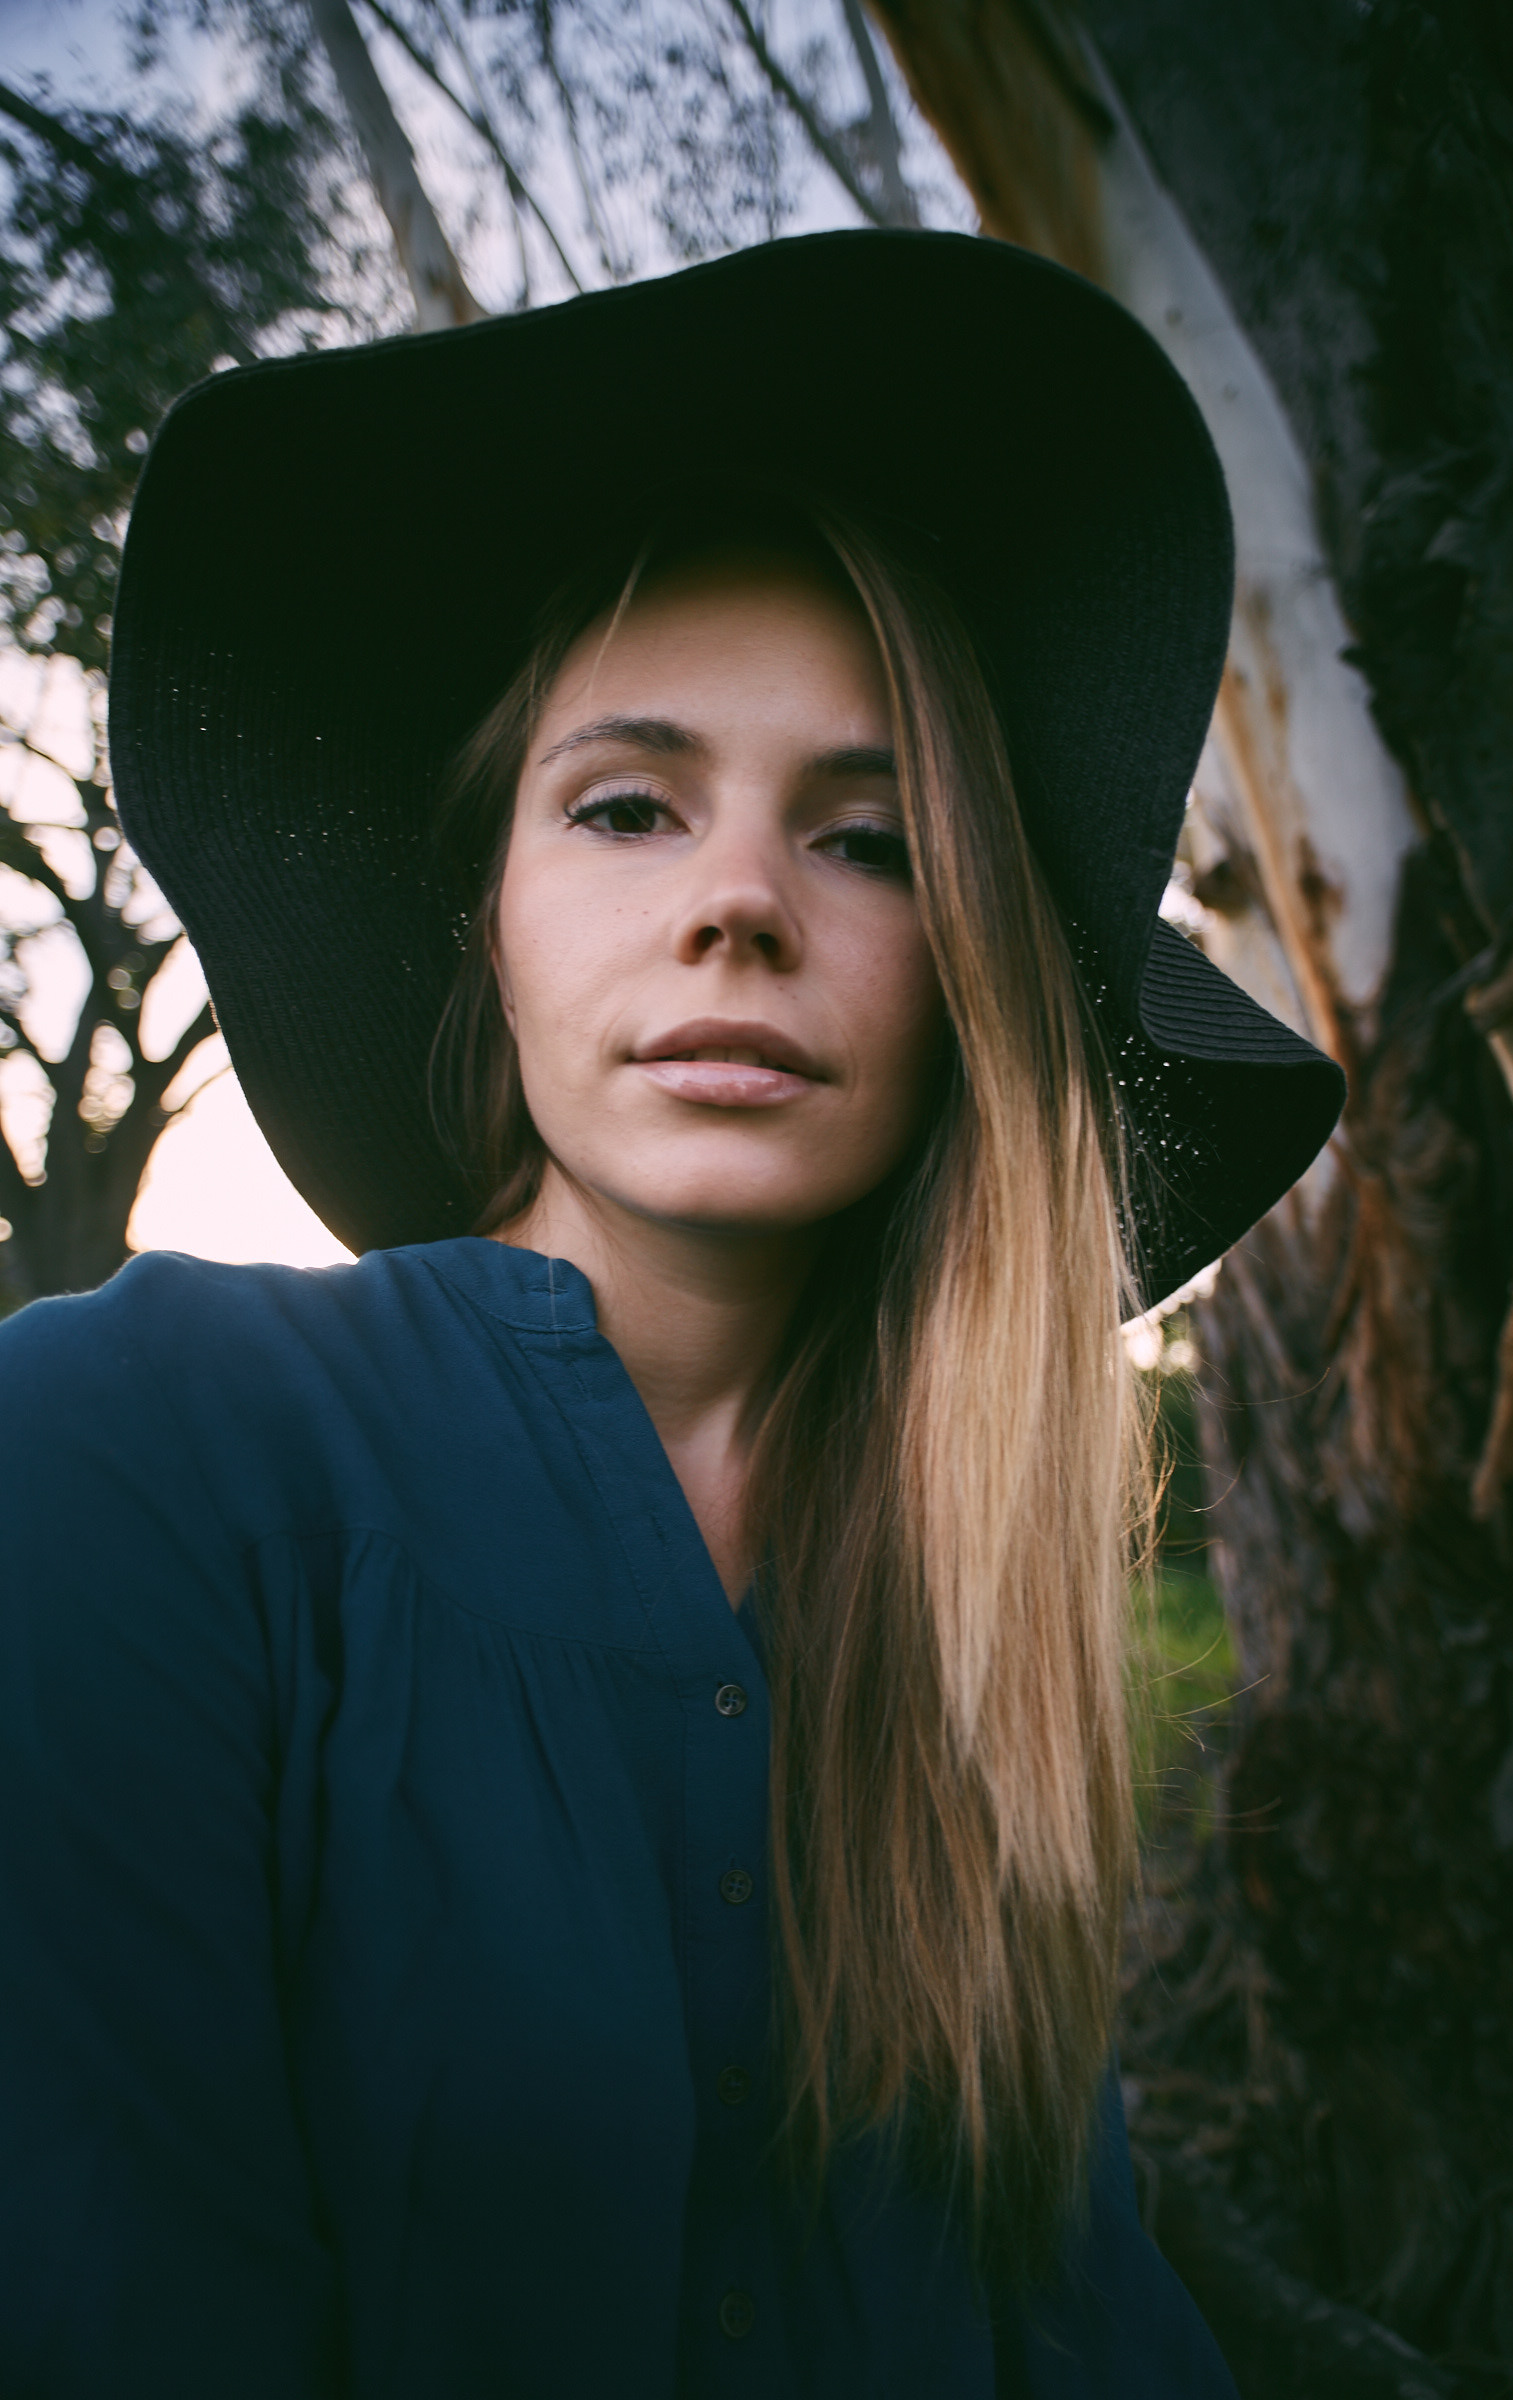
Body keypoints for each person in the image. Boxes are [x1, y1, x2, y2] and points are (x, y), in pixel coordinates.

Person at [0, 230, 1342, 2397]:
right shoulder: (122, 1456)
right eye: (624, 808)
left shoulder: (968, 1625)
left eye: (873, 841)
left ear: (968, 974)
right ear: (490, 924)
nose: (737, 902)